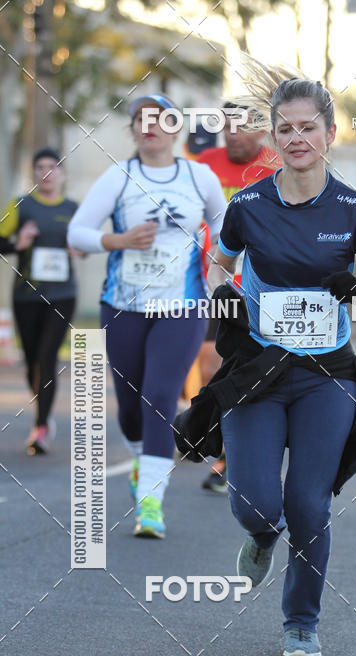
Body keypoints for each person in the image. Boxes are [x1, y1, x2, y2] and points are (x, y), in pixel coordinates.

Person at [175, 59, 356, 656]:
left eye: (308, 127)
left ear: (329, 134)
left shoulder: (355, 212)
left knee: (308, 502)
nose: (297, 139)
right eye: (285, 129)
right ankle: (258, 537)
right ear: (273, 137)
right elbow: (219, 261)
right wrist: (224, 292)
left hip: (326, 375)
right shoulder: (247, 206)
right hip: (258, 370)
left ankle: (301, 620)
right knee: (255, 502)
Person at [68, 94, 227, 536]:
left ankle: (151, 505)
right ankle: (144, 465)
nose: (149, 126)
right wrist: (118, 242)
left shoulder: (199, 176)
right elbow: (78, 232)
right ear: (133, 130)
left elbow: (227, 225)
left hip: (182, 306)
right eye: (140, 119)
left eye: (159, 119)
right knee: (130, 407)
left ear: (176, 129)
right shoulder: (118, 177)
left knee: (159, 397)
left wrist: (220, 259)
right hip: (123, 305)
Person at [184, 102, 280, 493]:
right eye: (226, 126)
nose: (231, 134)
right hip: (217, 279)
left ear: (260, 130)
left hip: (262, 285)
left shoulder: (276, 164)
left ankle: (230, 457)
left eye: (240, 127)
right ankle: (223, 444)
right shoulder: (205, 161)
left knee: (250, 371)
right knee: (209, 368)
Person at [0, 147, 81, 454]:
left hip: (62, 296)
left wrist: (80, 250)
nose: (46, 172)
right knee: (32, 361)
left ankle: (42, 426)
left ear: (61, 173)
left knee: (47, 358)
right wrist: (16, 243)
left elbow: (87, 242)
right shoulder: (21, 205)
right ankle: (42, 414)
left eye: (52, 166)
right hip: (26, 295)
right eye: (40, 167)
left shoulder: (74, 208)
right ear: (34, 173)